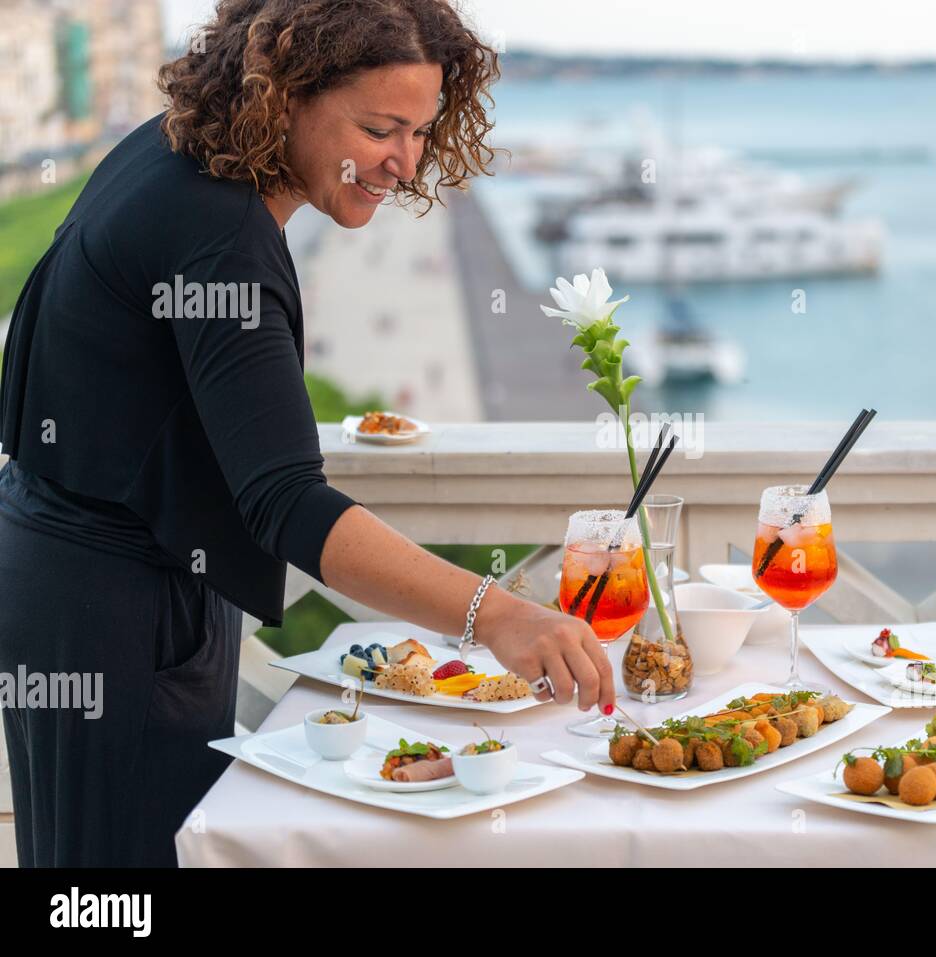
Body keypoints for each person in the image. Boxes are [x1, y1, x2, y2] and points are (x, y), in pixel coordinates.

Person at [0, 0, 613, 868]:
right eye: (379, 128)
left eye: (421, 131)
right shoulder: (222, 235)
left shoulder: (177, 151)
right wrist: (499, 613)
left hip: (84, 580)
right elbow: (287, 500)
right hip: (109, 613)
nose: (405, 164)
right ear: (285, 95)